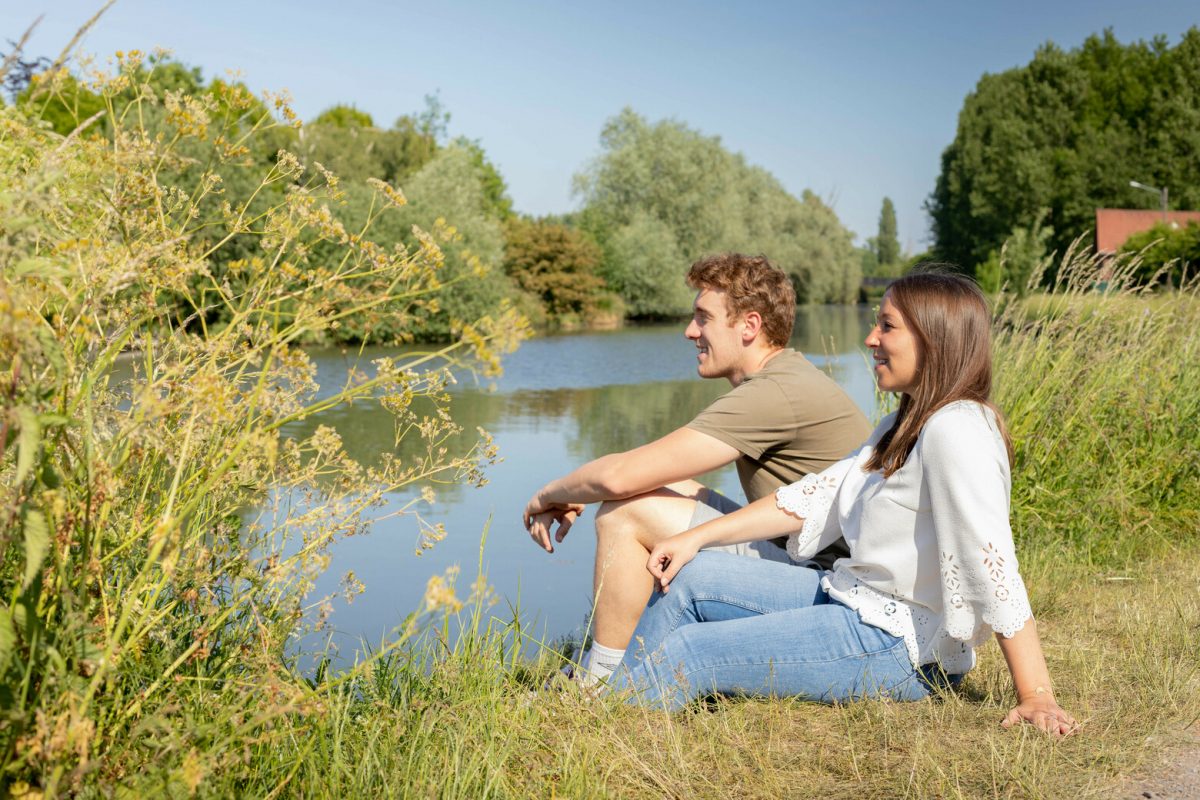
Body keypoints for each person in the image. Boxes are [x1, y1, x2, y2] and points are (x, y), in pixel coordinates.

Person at [609, 270, 1077, 736]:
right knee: (693, 576)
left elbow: (990, 561)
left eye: (888, 326)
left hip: (897, 647)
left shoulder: (957, 429)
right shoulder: (903, 422)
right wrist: (695, 537)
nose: (871, 337)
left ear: (934, 339)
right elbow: (814, 498)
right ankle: (605, 694)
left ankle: (610, 730)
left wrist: (1036, 694)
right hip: (851, 601)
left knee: (693, 650)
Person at [523, 253, 871, 686]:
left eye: (703, 318)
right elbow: (653, 470)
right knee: (662, 487)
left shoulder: (773, 392)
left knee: (625, 511)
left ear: (749, 326)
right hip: (805, 556)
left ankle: (601, 681)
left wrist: (547, 494)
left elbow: (621, 477)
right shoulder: (783, 378)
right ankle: (626, 653)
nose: (690, 331)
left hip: (825, 585)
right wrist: (581, 490)